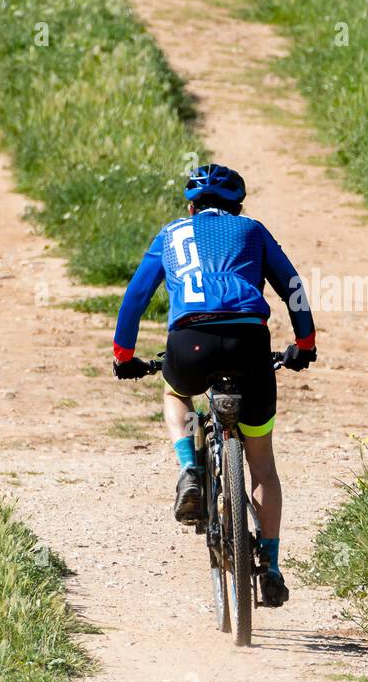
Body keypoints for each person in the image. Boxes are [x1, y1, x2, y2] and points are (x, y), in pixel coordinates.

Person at [111, 164, 316, 607]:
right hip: (249, 344)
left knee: (175, 392)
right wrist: (305, 343)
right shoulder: (253, 230)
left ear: (191, 206)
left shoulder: (171, 233)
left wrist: (125, 356)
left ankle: (189, 467)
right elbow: (293, 287)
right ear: (238, 207)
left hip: (190, 344)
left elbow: (135, 298)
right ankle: (273, 565)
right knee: (262, 467)